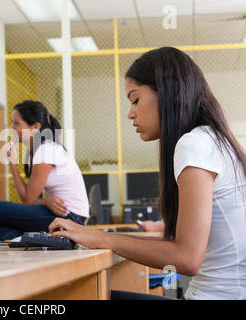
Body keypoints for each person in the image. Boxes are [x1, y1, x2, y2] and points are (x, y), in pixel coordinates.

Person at [49, 47, 246, 300]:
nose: (130, 113)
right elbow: (181, 246)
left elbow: (186, 258)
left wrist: (100, 238)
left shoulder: (195, 143)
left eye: (135, 99)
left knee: (78, 296)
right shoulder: (215, 140)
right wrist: (102, 237)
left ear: (167, 93)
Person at [0, 100, 89, 241]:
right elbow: (36, 199)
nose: (11, 127)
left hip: (71, 216)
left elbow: (28, 200)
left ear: (35, 127)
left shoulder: (46, 150)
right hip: (60, 213)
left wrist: (12, 163)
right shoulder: (34, 153)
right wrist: (46, 202)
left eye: (17, 123)